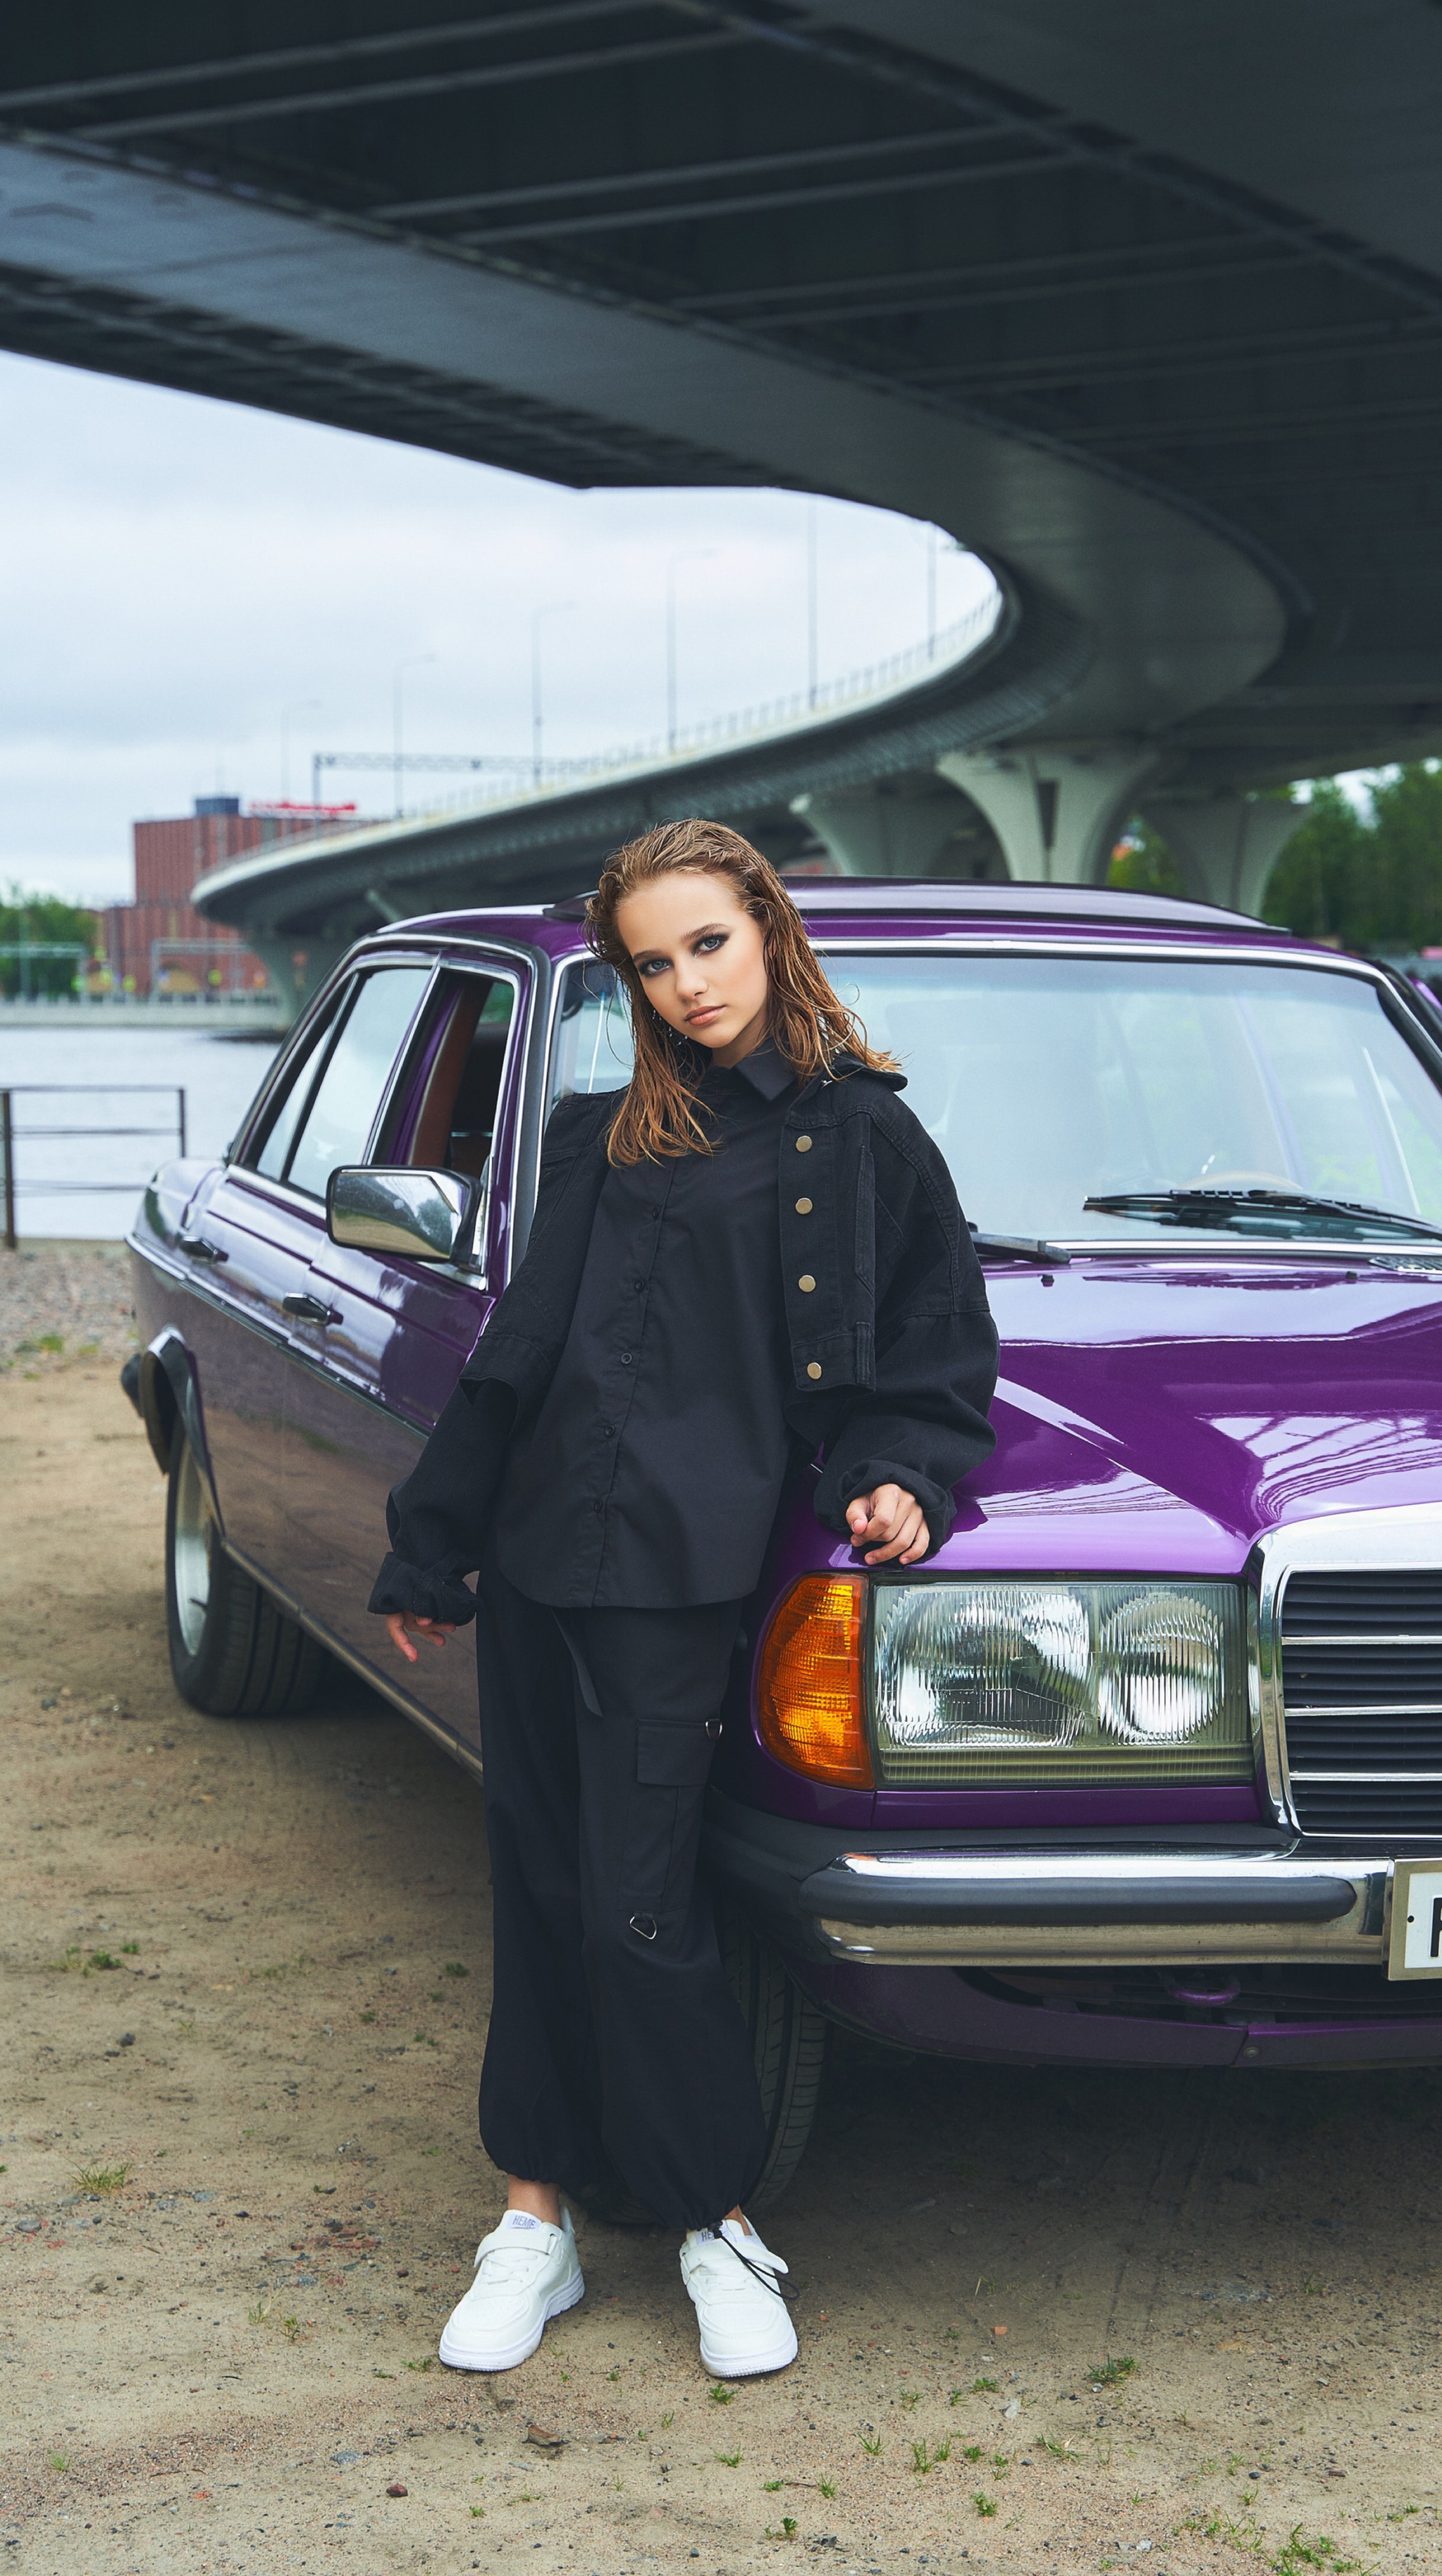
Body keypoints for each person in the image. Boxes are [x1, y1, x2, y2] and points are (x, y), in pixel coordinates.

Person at [368, 819, 997, 2382]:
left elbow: (933, 1347)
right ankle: (533, 2222)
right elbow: (521, 1349)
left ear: (767, 925)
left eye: (706, 943)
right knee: (538, 1885)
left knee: (644, 1907)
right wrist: (432, 1538)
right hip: (540, 1563)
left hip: (684, 1573)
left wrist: (903, 1472)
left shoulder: (863, 1136)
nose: (687, 984)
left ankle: (714, 2222)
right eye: (652, 964)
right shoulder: (602, 1134)